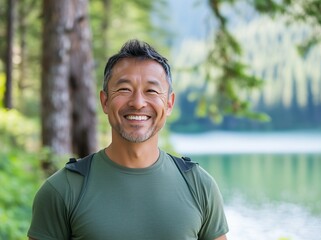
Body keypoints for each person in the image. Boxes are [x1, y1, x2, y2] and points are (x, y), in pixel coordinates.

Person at [28, 39, 229, 240]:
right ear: (105, 101)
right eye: (124, 89)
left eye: (151, 90)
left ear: (169, 104)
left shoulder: (200, 186)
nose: (138, 103)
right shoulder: (62, 190)